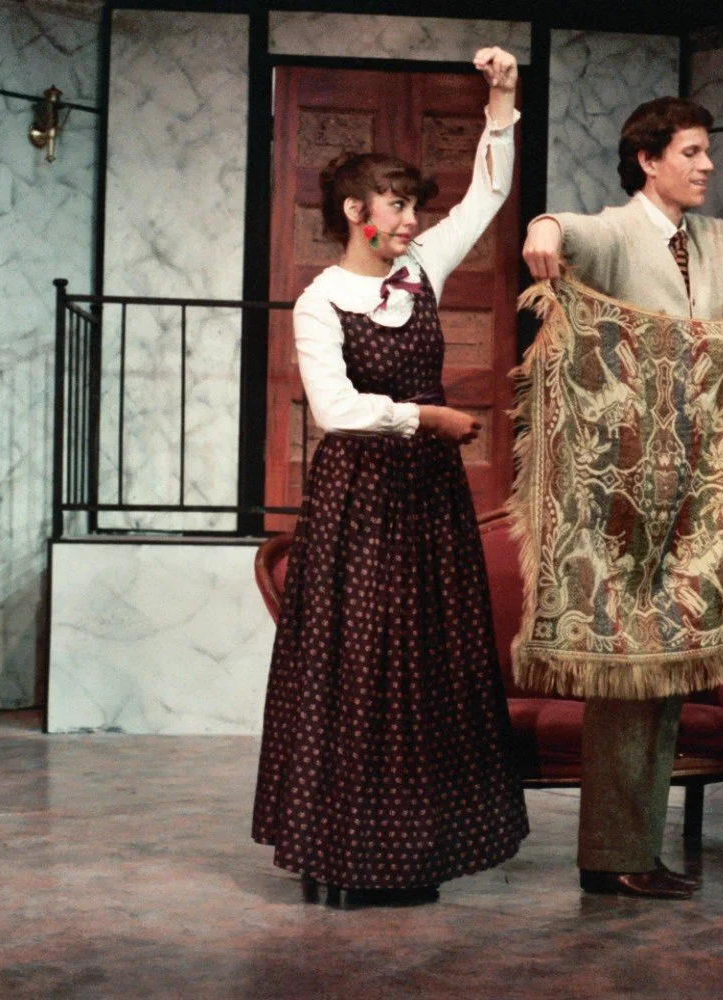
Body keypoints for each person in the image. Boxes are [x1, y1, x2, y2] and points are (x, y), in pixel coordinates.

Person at [521, 96, 723, 900]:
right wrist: (545, 230)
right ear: (648, 160)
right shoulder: (618, 232)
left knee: (663, 672)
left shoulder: (716, 241)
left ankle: (631, 852)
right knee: (629, 669)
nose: (706, 165)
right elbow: (566, 228)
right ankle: (612, 855)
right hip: (622, 488)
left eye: (707, 152)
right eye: (690, 152)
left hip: (696, 485)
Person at [252, 47, 529, 906]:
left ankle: (413, 851)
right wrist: (424, 419)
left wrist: (503, 101)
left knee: (426, 670)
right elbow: (334, 410)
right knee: (361, 668)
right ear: (354, 211)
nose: (410, 220)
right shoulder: (320, 299)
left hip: (426, 502)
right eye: (397, 206)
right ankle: (342, 851)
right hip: (361, 501)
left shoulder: (423, 274)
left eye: (413, 207)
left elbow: (487, 194)